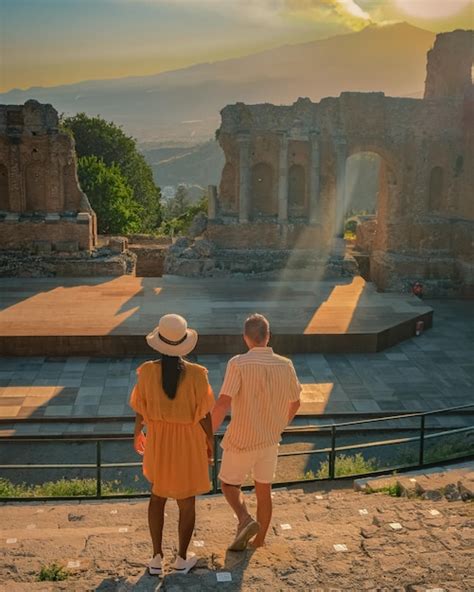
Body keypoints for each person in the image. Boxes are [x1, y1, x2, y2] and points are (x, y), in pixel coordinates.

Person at [129, 313, 214, 576]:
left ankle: (156, 557)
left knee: (157, 496)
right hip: (188, 440)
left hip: (159, 439)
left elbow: (140, 407)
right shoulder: (198, 375)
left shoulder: (146, 372)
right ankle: (181, 558)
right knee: (187, 500)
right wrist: (210, 442)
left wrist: (137, 433)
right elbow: (204, 414)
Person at [211, 313, 302, 551]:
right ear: (268, 336)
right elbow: (296, 402)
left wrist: (206, 434)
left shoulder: (238, 363)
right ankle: (259, 541)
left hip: (242, 439)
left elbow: (223, 402)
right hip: (270, 439)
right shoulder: (286, 364)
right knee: (264, 491)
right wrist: (281, 424)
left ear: (245, 338)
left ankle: (244, 518)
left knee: (229, 485)